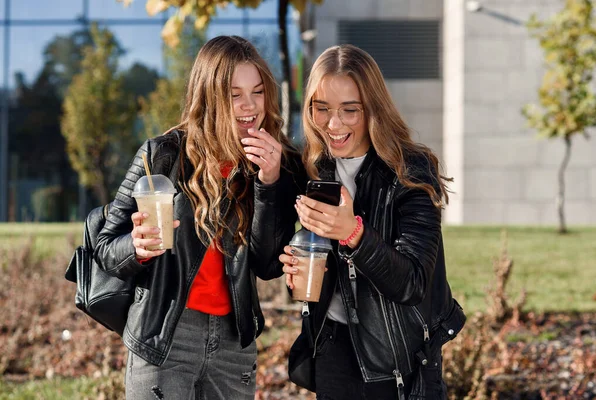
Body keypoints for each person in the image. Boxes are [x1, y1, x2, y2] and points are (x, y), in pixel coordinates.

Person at [94, 35, 301, 400]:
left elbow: (268, 265)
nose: (249, 106)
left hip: (233, 342)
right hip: (165, 336)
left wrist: (269, 184)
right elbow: (106, 248)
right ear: (210, 96)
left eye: (257, 92)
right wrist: (137, 247)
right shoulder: (163, 155)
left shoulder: (273, 162)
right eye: (234, 94)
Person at [280, 44, 466, 400]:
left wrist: (353, 234)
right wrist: (300, 268)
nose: (334, 124)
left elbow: (412, 283)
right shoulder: (316, 169)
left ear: (373, 110)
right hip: (333, 349)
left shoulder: (410, 171)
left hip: (398, 363)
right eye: (322, 109)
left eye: (350, 110)